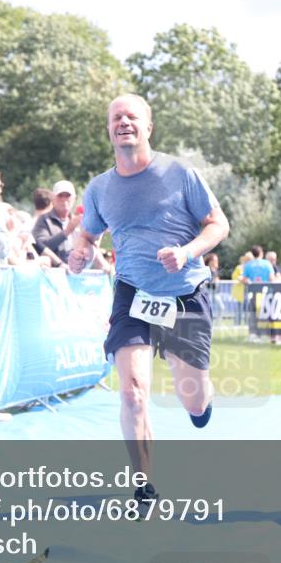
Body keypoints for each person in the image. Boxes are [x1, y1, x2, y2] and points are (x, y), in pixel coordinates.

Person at [68, 94, 229, 511]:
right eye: (116, 117)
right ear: (109, 129)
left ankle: (201, 403)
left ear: (148, 127)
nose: (124, 122)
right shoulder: (100, 187)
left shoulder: (181, 174)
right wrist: (82, 250)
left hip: (184, 293)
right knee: (133, 392)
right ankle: (143, 486)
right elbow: (88, 233)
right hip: (132, 293)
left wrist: (188, 252)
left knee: (193, 399)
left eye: (132, 116)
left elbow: (219, 224)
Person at [33, 180, 81, 264]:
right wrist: (66, 232)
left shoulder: (79, 221)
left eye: (68, 196)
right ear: (53, 198)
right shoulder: (44, 220)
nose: (64, 199)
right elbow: (40, 247)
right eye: (60, 195)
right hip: (54, 269)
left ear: (74, 199)